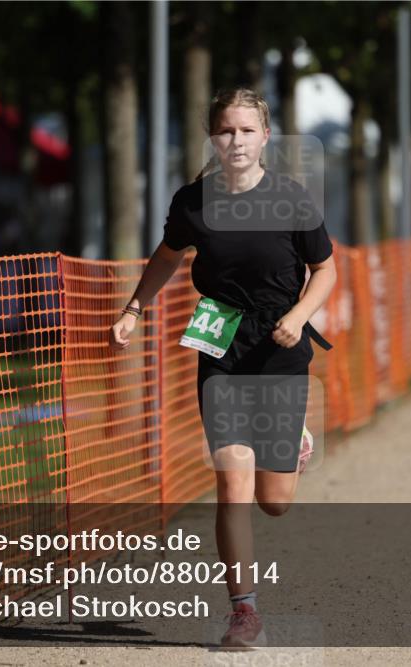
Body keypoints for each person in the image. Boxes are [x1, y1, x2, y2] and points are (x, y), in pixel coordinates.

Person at [108, 87, 337, 648]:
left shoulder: (292, 199)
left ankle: (294, 442)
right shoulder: (193, 202)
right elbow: (167, 256)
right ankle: (244, 612)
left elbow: (326, 269)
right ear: (212, 137)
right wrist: (134, 308)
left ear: (265, 137)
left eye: (247, 130)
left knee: (274, 502)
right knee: (232, 483)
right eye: (226, 130)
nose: (236, 140)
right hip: (221, 347)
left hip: (280, 345)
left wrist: (300, 315)